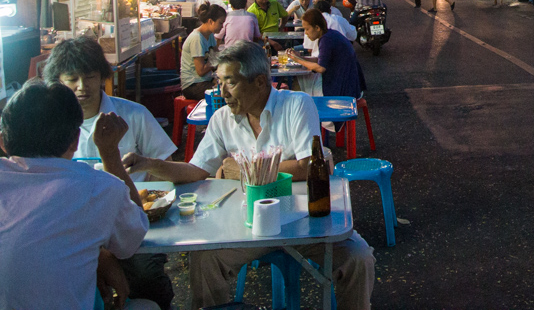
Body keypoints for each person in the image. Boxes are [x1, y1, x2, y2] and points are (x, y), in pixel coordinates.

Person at [122, 42, 375, 310]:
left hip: (301, 221)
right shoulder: (222, 119)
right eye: (219, 82)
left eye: (230, 82)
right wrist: (146, 163)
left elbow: (308, 166)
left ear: (259, 82)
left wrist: (239, 170)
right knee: (205, 260)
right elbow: (195, 170)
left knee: (357, 258)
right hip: (245, 226)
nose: (222, 92)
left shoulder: (296, 105)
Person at [45, 37, 176, 309]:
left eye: (90, 77)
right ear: (57, 81)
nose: (82, 87)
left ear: (103, 76)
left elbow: (166, 169)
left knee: (146, 275)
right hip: (74, 232)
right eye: (72, 79)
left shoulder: (134, 115)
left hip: (135, 224)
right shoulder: (52, 130)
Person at [0, 82, 154, 310]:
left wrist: (99, 256)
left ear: (3, 142)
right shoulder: (99, 188)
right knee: (146, 307)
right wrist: (110, 154)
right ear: (75, 140)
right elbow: (132, 239)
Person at [287, 9, 362, 98]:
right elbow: (321, 59)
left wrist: (298, 60)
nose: (306, 33)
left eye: (307, 29)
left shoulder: (327, 40)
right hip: (349, 83)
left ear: (317, 28)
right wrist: (301, 57)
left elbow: (320, 68)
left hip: (345, 89)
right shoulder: (329, 34)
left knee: (306, 96)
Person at [180, 3, 226, 100]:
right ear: (211, 21)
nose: (222, 27)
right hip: (193, 85)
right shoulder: (197, 39)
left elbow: (217, 55)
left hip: (206, 80)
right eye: (220, 23)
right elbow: (200, 71)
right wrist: (215, 60)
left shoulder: (210, 35)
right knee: (225, 94)